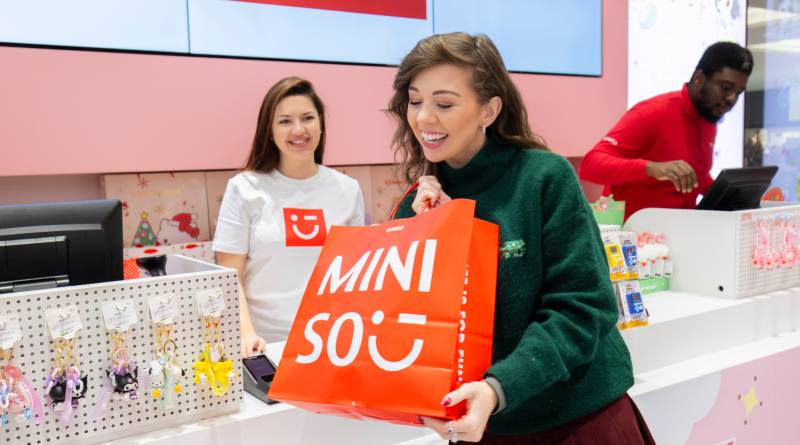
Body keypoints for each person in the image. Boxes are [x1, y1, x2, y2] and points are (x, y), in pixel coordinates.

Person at [388, 33, 654, 444]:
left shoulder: (543, 179)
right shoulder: (415, 205)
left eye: (444, 104)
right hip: (483, 428)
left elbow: (584, 307)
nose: (423, 117)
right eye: (414, 100)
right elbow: (411, 327)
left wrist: (499, 388)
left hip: (576, 419)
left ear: (489, 110)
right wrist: (428, 233)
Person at [212, 77, 364, 357]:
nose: (298, 129)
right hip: (266, 348)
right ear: (269, 131)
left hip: (333, 343)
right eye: (284, 121)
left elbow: (355, 275)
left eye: (307, 118)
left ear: (320, 124)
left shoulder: (347, 189)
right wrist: (247, 334)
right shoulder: (244, 188)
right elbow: (229, 278)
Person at [580, 42, 753, 221]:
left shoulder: (708, 116)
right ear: (699, 78)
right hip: (632, 233)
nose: (732, 99)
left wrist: (728, 192)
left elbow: (693, 175)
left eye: (739, 93)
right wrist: (650, 168)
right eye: (726, 88)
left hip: (679, 230)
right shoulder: (652, 113)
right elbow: (590, 166)